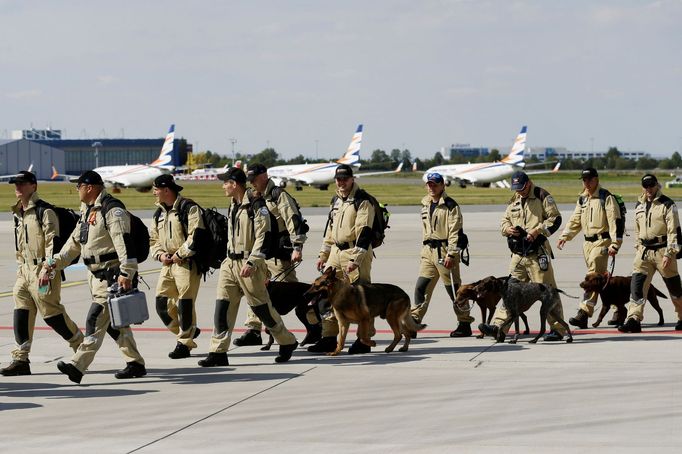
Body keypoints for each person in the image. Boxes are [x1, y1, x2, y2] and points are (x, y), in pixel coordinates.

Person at [45, 170, 146, 384]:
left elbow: (123, 242)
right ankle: (135, 363)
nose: (76, 189)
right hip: (95, 276)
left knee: (95, 318)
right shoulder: (88, 211)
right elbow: (74, 243)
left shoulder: (112, 210)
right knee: (113, 324)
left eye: (78, 185)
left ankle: (78, 365)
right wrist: (54, 262)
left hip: (112, 276)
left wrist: (127, 272)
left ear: (89, 187)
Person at [199, 167, 298, 366]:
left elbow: (265, 235)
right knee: (222, 307)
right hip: (230, 264)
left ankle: (287, 341)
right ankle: (218, 351)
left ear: (234, 184)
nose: (223, 186)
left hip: (249, 264)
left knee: (261, 308)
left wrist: (253, 261)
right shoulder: (233, 204)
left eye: (225, 182)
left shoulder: (256, 205)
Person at [1, 171, 83, 376]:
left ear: (33, 186)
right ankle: (21, 359)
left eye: (22, 184)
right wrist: (21, 267)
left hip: (43, 270)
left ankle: (81, 348)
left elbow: (52, 243)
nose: (17, 187)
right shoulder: (18, 212)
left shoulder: (44, 212)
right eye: (15, 184)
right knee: (21, 312)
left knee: (52, 314)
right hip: (24, 270)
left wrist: (48, 268)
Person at [233, 163, 316, 347]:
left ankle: (315, 328)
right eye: (250, 180)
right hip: (261, 256)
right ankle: (254, 331)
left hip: (279, 256)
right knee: (255, 292)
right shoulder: (254, 197)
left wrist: (297, 247)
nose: (252, 183)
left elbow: (294, 221)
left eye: (254, 179)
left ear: (264, 176)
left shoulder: (279, 196)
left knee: (293, 295)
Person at [478, 171, 566, 341]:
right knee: (508, 291)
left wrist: (538, 230)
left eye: (522, 188)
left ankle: (558, 329)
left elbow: (555, 219)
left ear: (529, 183)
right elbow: (504, 220)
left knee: (547, 291)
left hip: (537, 253)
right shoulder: (514, 199)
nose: (520, 192)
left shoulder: (542, 196)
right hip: (518, 255)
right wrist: (507, 229)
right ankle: (499, 327)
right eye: (517, 189)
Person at [310, 164, 376, 354]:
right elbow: (330, 230)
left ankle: (364, 340)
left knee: (360, 297)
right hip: (335, 253)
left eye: (345, 179)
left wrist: (355, 259)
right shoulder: (336, 200)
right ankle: (329, 337)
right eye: (338, 179)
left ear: (352, 179)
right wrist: (323, 254)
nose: (341, 182)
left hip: (355, 251)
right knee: (327, 295)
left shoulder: (363, 201)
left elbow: (365, 232)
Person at [556, 167, 622, 328]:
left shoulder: (606, 197)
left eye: (589, 179)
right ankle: (619, 307)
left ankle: (583, 313)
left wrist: (615, 243)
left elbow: (615, 221)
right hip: (587, 244)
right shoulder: (583, 199)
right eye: (584, 180)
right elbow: (575, 220)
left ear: (596, 179)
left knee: (592, 277)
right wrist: (565, 236)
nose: (586, 183)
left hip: (603, 242)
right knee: (599, 279)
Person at [411, 172, 473, 337]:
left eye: (435, 184)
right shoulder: (425, 203)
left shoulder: (451, 206)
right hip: (428, 252)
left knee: (454, 290)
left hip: (445, 251)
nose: (432, 187)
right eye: (429, 184)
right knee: (421, 287)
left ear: (442, 185)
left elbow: (455, 232)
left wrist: (451, 254)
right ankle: (414, 322)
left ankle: (464, 322)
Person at [619, 174, 682, 333]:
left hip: (663, 251)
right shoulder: (639, 205)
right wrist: (638, 247)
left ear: (657, 185)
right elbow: (638, 230)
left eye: (651, 185)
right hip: (644, 252)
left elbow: (674, 231)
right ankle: (633, 318)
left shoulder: (667, 204)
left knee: (674, 288)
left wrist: (669, 253)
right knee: (637, 286)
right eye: (645, 186)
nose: (648, 189)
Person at [149, 174, 203, 359]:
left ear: (166, 190)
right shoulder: (159, 213)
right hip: (168, 264)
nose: (154, 192)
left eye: (156, 189)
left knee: (185, 304)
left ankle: (185, 343)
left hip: (186, 264)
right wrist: (160, 254)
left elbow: (195, 236)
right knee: (161, 305)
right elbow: (153, 239)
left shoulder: (188, 208)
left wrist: (180, 254)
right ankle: (188, 331)